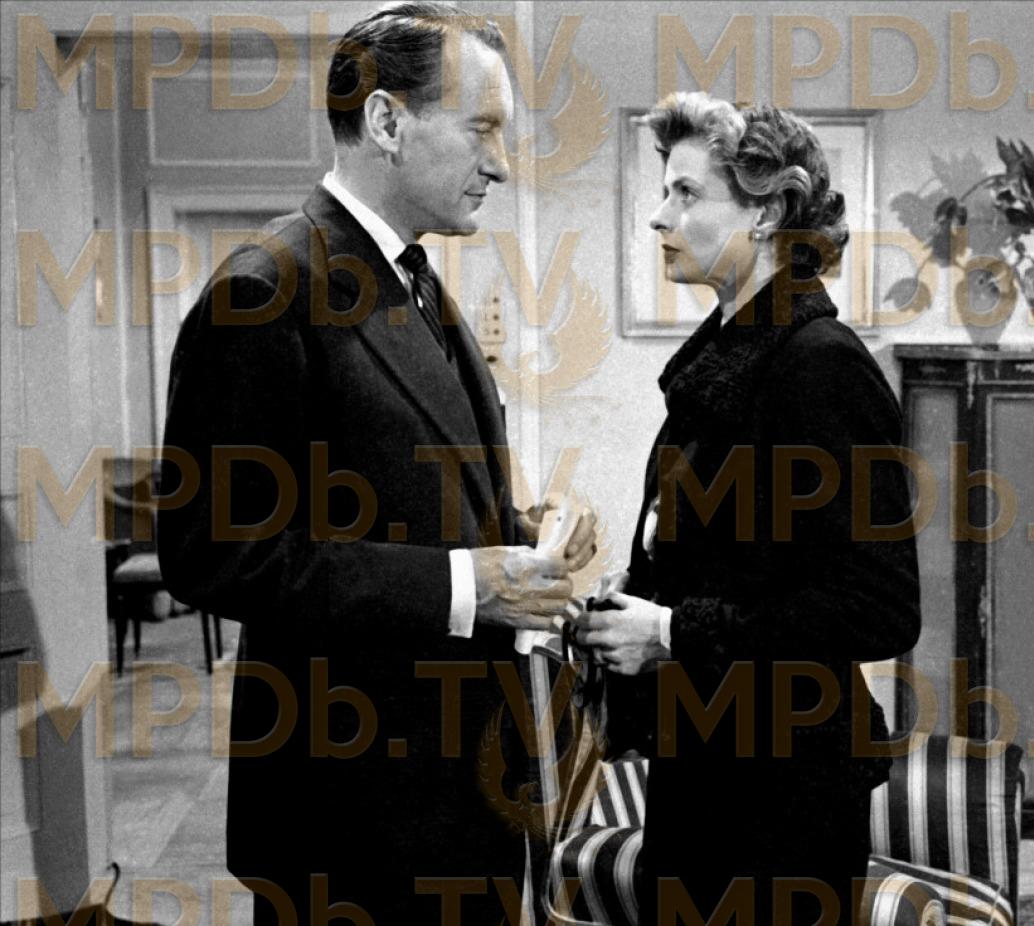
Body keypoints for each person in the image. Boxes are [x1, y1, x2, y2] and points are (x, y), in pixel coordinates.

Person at [157, 4, 595, 921]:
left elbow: (395, 502)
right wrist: (466, 585)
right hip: (351, 821)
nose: (501, 163)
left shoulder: (416, 280)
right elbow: (214, 551)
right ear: (388, 121)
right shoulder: (264, 289)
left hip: (453, 795)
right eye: (481, 129)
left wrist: (520, 542)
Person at [574, 93, 921, 924]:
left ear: (767, 212)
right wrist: (643, 592)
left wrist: (669, 630)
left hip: (783, 793)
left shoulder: (821, 366)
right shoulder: (733, 352)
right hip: (709, 763)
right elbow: (742, 556)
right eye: (664, 191)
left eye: (687, 193)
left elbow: (879, 608)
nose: (659, 216)